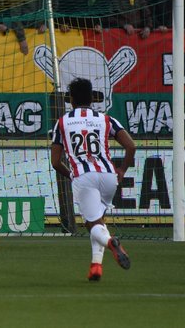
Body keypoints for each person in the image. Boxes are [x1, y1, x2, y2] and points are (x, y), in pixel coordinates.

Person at [50, 77, 134, 282]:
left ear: (70, 99)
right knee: (99, 220)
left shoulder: (62, 122)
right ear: (92, 98)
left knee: (91, 224)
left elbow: (55, 161)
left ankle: (111, 242)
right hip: (108, 176)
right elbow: (131, 146)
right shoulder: (106, 119)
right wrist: (122, 170)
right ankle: (96, 266)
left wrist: (71, 175)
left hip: (83, 176)